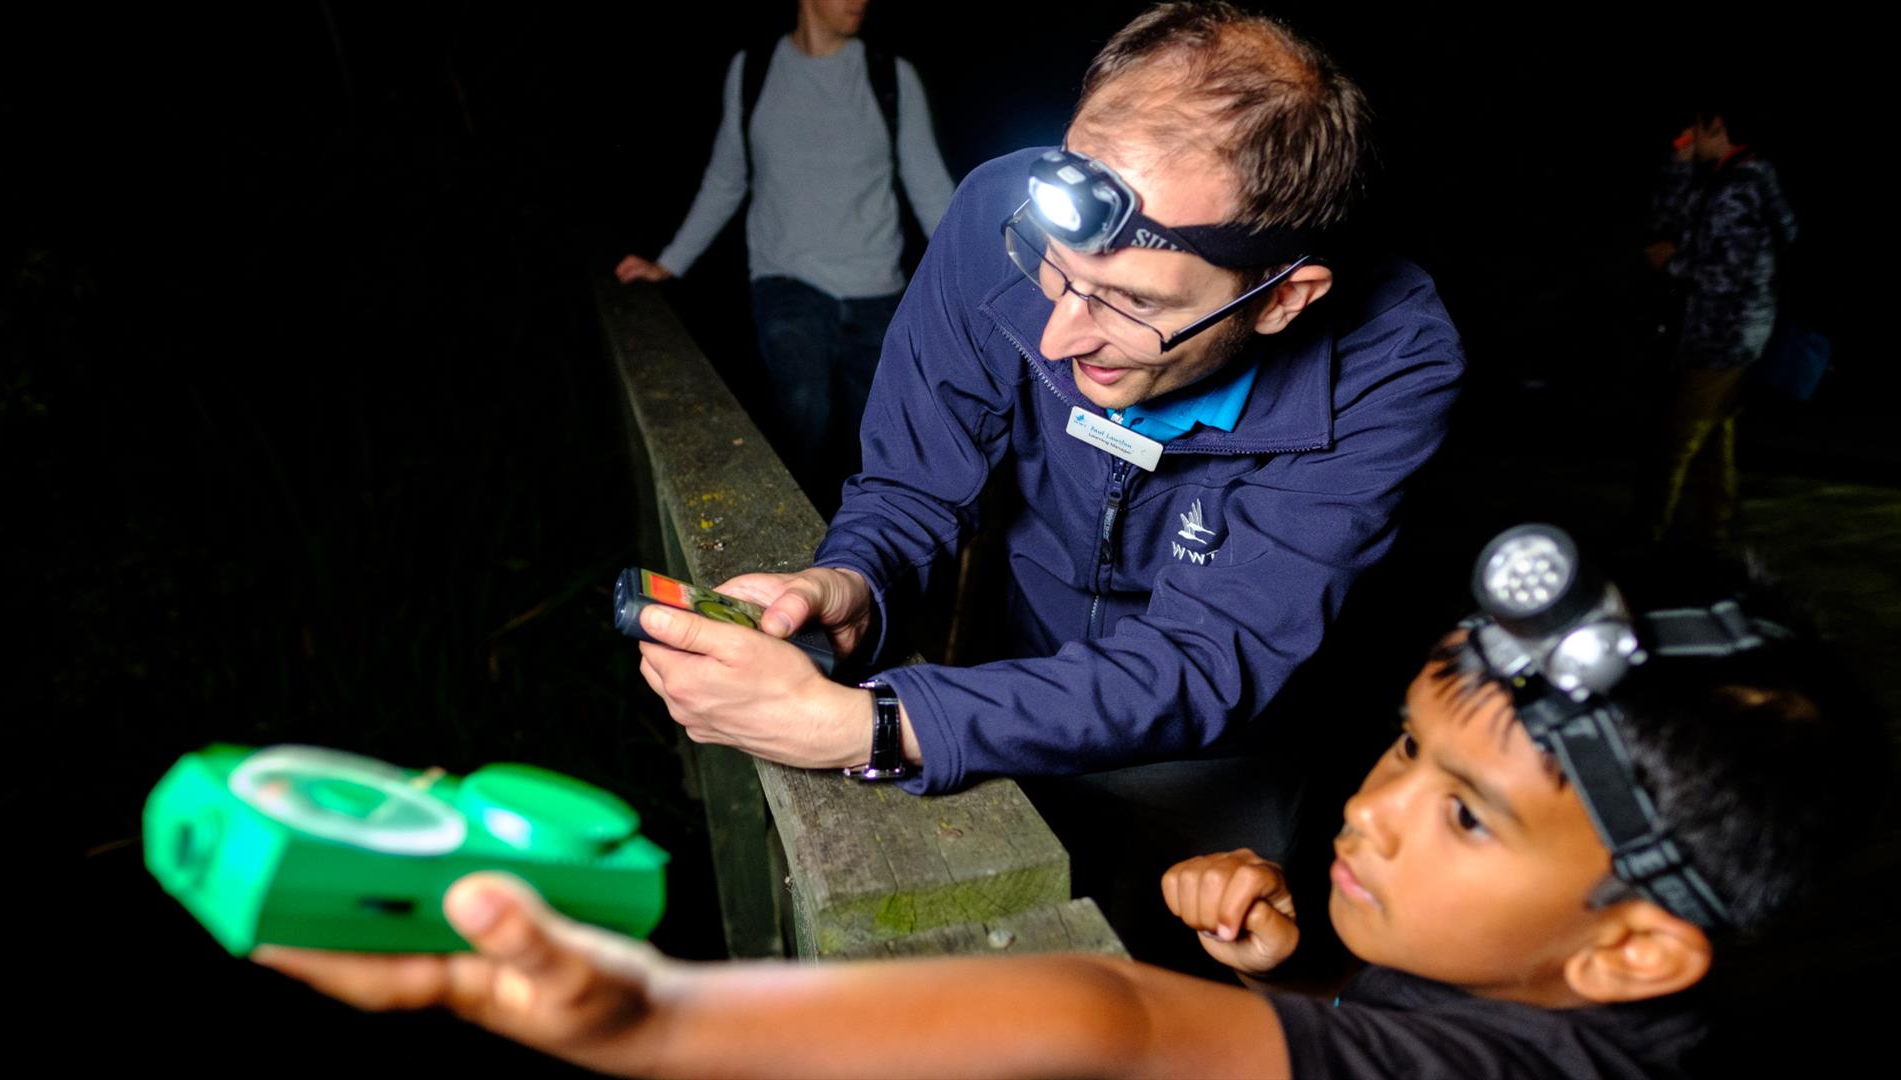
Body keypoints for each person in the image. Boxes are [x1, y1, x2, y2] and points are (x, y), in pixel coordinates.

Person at [261, 530, 1887, 1079]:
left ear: (1629, 953)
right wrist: (1298, 981)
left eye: (1468, 817)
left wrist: (658, 1014)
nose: (1376, 815)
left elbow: (1109, 1024)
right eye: (1403, 749)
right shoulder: (1557, 998)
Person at [633, 2, 1462, 952]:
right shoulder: (996, 212)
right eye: (1053, 272)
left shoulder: (1393, 362)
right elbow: (910, 483)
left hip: (1224, 751)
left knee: (1164, 971)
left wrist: (873, 727)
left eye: (1133, 304)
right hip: (1015, 670)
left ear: (1285, 299)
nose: (1060, 336)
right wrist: (853, 579)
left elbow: (1208, 657)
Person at [614, 0, 955, 511]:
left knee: (878, 446)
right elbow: (727, 179)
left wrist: (992, 276)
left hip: (877, 295)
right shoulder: (752, 72)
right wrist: (669, 262)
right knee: (801, 409)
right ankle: (789, 546)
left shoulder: (890, 76)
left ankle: (859, 565)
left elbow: (930, 189)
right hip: (787, 284)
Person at [1638, 105, 1797, 546]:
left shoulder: (1739, 187)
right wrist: (1679, 164)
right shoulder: (1728, 177)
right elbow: (1671, 219)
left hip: (1725, 334)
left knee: (1675, 440)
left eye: (1695, 126)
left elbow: (1731, 271)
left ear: (1719, 127)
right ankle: (1714, 536)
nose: (1687, 134)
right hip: (1728, 331)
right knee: (1713, 437)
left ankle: (1645, 537)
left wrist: (1673, 262)